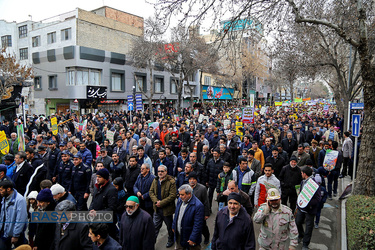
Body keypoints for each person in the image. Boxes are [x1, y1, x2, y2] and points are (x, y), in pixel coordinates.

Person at [149, 165, 176, 248]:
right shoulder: (155, 180)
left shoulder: (171, 182)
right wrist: (156, 202)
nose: (160, 173)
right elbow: (151, 192)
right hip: (157, 209)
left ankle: (171, 239)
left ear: (166, 172)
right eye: (159, 171)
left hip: (167, 210)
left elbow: (173, 195)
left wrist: (162, 203)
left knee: (169, 227)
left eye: (162, 171)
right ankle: (151, 243)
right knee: (155, 228)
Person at [295, 167, 321, 250]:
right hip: (301, 208)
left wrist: (307, 202)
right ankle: (301, 235)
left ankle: (305, 244)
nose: (301, 174)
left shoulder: (314, 184)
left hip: (310, 209)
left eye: (302, 173)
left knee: (309, 227)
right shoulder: (303, 182)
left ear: (304, 174)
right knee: (297, 222)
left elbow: (317, 199)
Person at [172, 184, 204, 250]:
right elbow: (177, 215)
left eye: (182, 195)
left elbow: (198, 224)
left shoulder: (198, 205)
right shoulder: (180, 200)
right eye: (179, 194)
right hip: (180, 234)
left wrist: (193, 238)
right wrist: (174, 226)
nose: (180, 197)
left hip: (190, 237)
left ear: (189, 194)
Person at [89, 168, 117, 239]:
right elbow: (93, 201)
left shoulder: (111, 190)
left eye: (99, 177)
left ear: (105, 178)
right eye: (97, 177)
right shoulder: (96, 187)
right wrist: (90, 210)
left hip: (106, 223)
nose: (97, 179)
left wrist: (97, 213)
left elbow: (112, 208)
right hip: (96, 220)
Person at [0, 180, 28, 249]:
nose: (0, 192)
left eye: (1, 190)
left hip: (14, 236)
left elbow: (20, 219)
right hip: (4, 234)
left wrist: (16, 235)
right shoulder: (4, 198)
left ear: (8, 189)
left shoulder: (20, 200)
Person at [188, 172, 211, 245]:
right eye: (190, 179)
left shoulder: (202, 188)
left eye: (194, 179)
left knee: (203, 226)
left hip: (200, 212)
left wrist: (206, 214)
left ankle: (207, 237)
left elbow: (206, 202)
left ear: (196, 180)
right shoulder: (186, 188)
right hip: (190, 212)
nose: (192, 181)